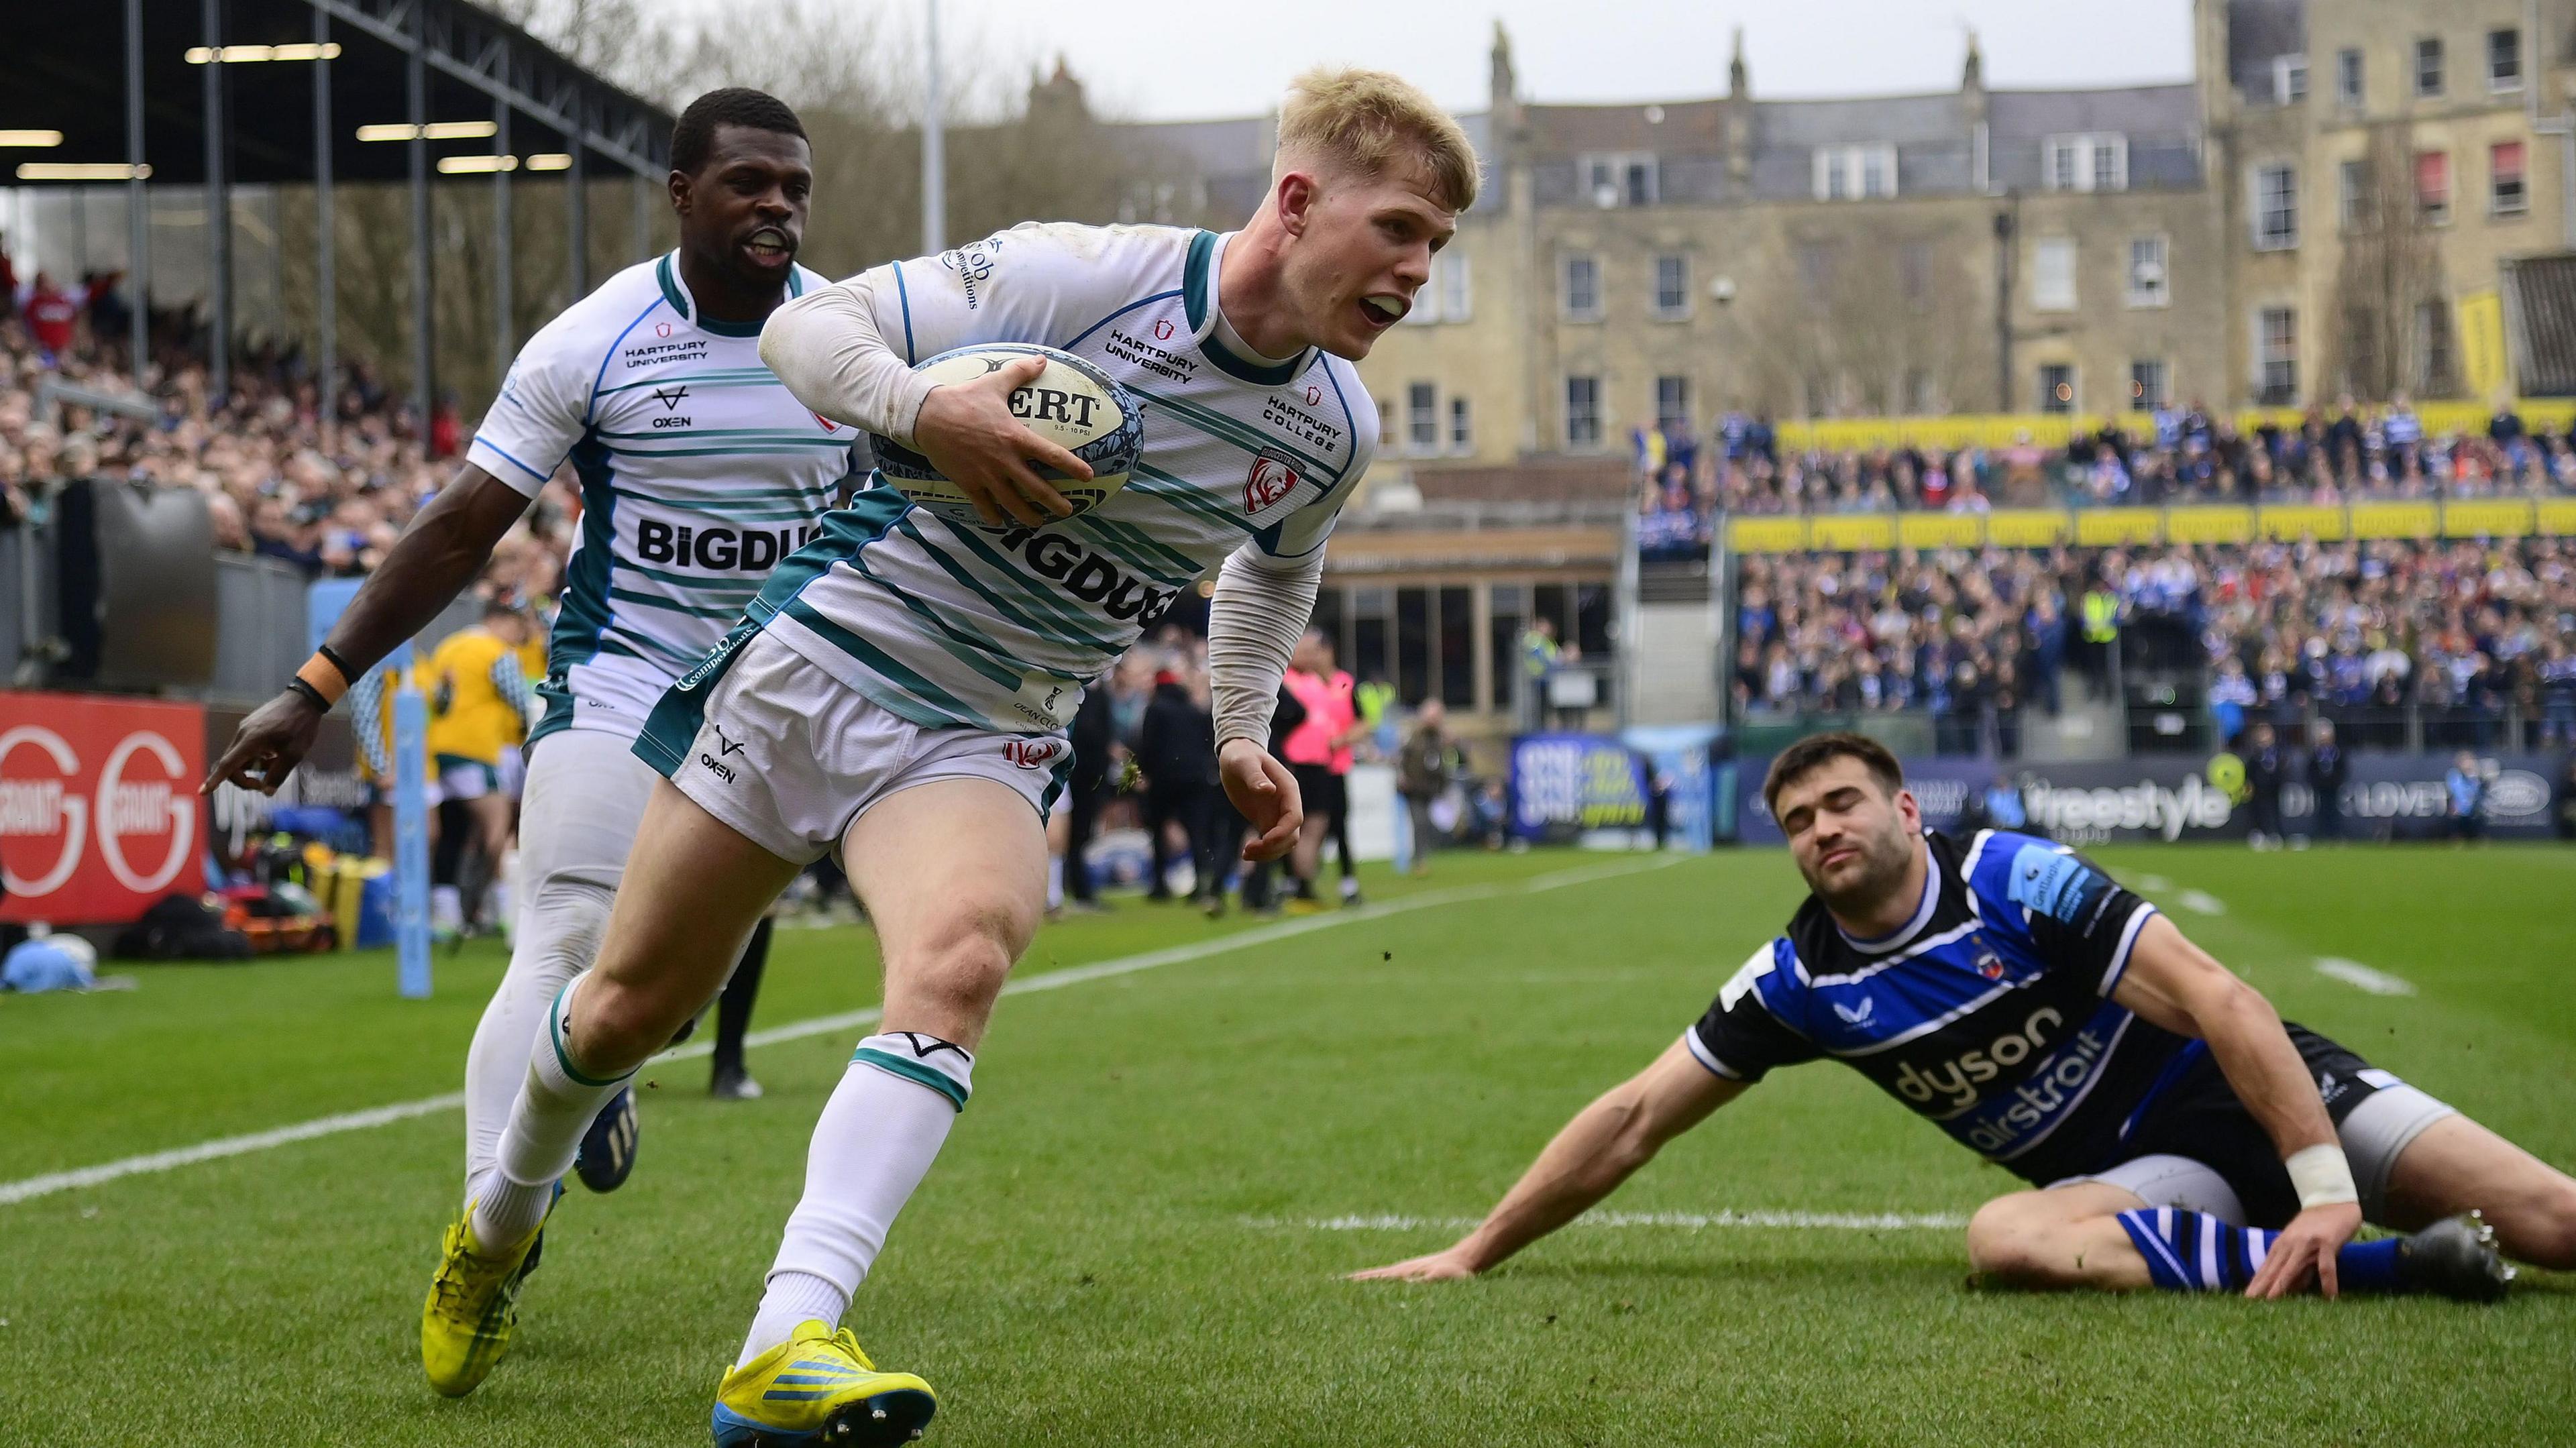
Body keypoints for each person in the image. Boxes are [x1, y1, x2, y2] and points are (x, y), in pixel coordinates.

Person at [455, 66, 1468, 1445]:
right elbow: (812, 331)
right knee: (624, 1009)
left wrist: (1241, 725)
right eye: (1400, 228)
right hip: (814, 667)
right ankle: (500, 1218)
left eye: (1439, 247)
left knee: (966, 954)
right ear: (1296, 202)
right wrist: (933, 414)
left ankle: (787, 1335)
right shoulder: (1077, 274)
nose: (1417, 269)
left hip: (989, 723)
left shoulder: (1333, 429)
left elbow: (1273, 573)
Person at [197, 89, 852, 1400]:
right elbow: (458, 528)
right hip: (617, 684)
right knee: (558, 932)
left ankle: (597, 1068)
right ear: (681, 193)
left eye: (793, 183)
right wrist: (317, 682)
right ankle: (488, 1239)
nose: (776, 202)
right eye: (747, 182)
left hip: (771, 704)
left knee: (660, 986)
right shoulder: (599, 338)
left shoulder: (854, 339)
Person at [1356, 732, 2566, 1301]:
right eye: (1797, 820)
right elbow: (1631, 1118)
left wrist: (2320, 1174)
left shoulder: (2011, 875)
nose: (1822, 830)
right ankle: (2399, 1273)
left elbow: (2220, 998)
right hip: (2140, 1177)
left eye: (1841, 803)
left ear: (1899, 805)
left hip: (2269, 1092)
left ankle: (2352, 1232)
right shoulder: (1799, 980)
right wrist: (1474, 1249)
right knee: (2009, 1239)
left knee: (2555, 1216)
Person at [423, 600, 537, 941]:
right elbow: (522, 701)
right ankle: (506, 915)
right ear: (501, 621)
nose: (520, 636)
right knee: (498, 830)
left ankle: (451, 913)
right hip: (477, 748)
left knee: (457, 832)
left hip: (438, 747)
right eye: (518, 626)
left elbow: (437, 697)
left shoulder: (448, 646)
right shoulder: (495, 652)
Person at [1282, 630, 1364, 909]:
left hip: (1333, 765)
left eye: (1317, 651)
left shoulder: (1343, 684)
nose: (1314, 657)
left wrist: (1341, 740)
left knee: (1334, 825)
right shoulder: (1295, 682)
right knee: (1302, 824)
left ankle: (1341, 882)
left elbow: (1363, 722)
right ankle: (1297, 884)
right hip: (1304, 763)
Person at [1136, 663, 1220, 904]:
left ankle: (1160, 884)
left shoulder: (1156, 709)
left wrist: (1144, 772)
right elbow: (1207, 742)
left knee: (1158, 830)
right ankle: (1201, 883)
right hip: (1195, 777)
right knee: (1196, 832)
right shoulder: (1193, 710)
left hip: (1164, 779)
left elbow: (1149, 744)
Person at [1395, 699, 1460, 873]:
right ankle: (1420, 860)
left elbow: (1458, 757)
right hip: (1415, 788)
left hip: (1435, 788)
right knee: (1420, 822)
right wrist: (1402, 777)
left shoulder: (1443, 738)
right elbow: (1401, 758)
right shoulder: (1413, 736)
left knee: (1435, 823)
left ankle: (1423, 856)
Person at [2244, 721, 2284, 849]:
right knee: (2259, 811)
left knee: (2274, 811)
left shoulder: (2277, 753)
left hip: (2273, 788)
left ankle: (2274, 834)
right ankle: (2259, 834)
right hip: (2258, 788)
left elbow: (2282, 769)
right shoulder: (2255, 753)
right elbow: (2250, 770)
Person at [2307, 721, 2349, 843]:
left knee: (2334, 810)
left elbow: (2342, 769)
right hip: (2321, 787)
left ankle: (2335, 834)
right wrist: (2318, 781)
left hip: (2334, 786)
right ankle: (2323, 835)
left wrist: (2335, 780)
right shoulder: (2315, 754)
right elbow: (2311, 770)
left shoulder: (2337, 752)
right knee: (2321, 810)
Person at [2446, 751, 2487, 844]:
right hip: (2459, 811)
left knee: (2478, 816)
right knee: (2454, 817)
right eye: (2465, 761)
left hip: (2473, 810)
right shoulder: (2454, 776)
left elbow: (2479, 793)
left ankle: (2477, 838)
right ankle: (2457, 838)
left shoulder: (2476, 777)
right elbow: (2453, 793)